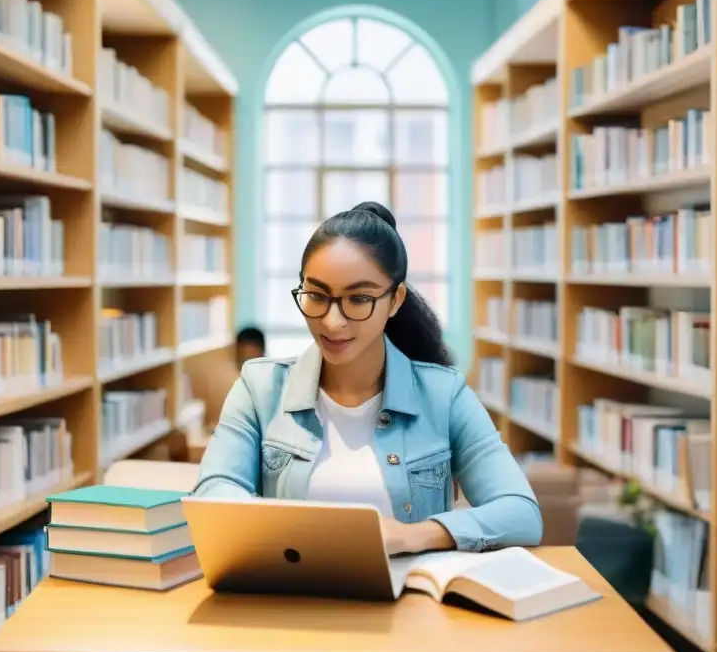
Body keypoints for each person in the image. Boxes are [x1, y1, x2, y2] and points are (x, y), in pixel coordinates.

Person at [193, 201, 543, 556]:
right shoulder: (259, 388)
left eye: (358, 299)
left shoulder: (444, 394)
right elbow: (214, 492)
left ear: (395, 300)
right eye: (316, 295)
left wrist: (416, 536)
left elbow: (521, 512)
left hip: (410, 604)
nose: (332, 321)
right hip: (294, 603)